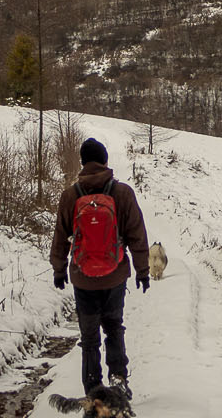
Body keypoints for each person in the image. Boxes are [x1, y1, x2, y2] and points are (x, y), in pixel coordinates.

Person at [51, 137, 150, 398]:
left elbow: (61, 236)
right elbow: (136, 234)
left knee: (89, 336)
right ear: (105, 161)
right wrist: (142, 270)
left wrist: (59, 269)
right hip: (115, 275)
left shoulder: (70, 195)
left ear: (83, 163)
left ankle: (93, 389)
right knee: (114, 327)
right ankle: (118, 381)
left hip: (83, 278)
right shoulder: (122, 192)